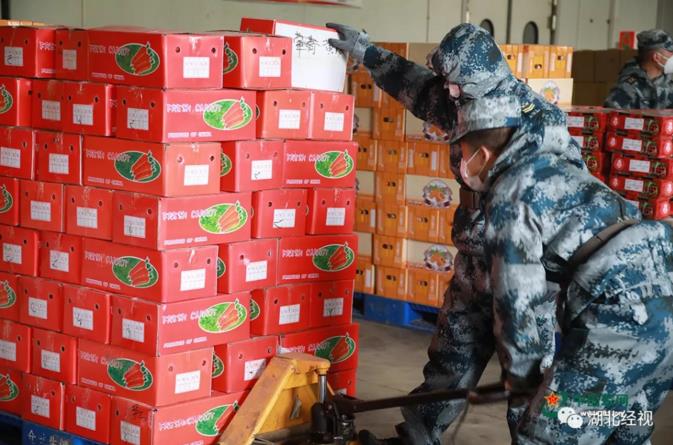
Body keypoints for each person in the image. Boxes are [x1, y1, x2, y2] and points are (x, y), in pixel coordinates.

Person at [327, 23, 582, 445]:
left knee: (528, 376)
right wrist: (367, 52)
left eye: (456, 84)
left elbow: (571, 200)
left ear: (482, 78)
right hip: (474, 260)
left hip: (525, 268)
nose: (449, 92)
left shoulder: (541, 124)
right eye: (448, 83)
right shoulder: (462, 100)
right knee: (449, 357)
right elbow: (417, 87)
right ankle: (417, 437)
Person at [456, 92, 673, 443]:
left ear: (481, 154)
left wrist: (523, 378)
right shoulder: (555, 164)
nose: (461, 165)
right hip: (663, 282)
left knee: (548, 433)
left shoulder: (510, 195)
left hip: (623, 312)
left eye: (462, 154)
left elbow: (516, 302)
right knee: (622, 428)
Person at [604, 29, 673, 109]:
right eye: (671, 53)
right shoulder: (628, 87)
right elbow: (612, 113)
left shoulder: (668, 81)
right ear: (657, 57)